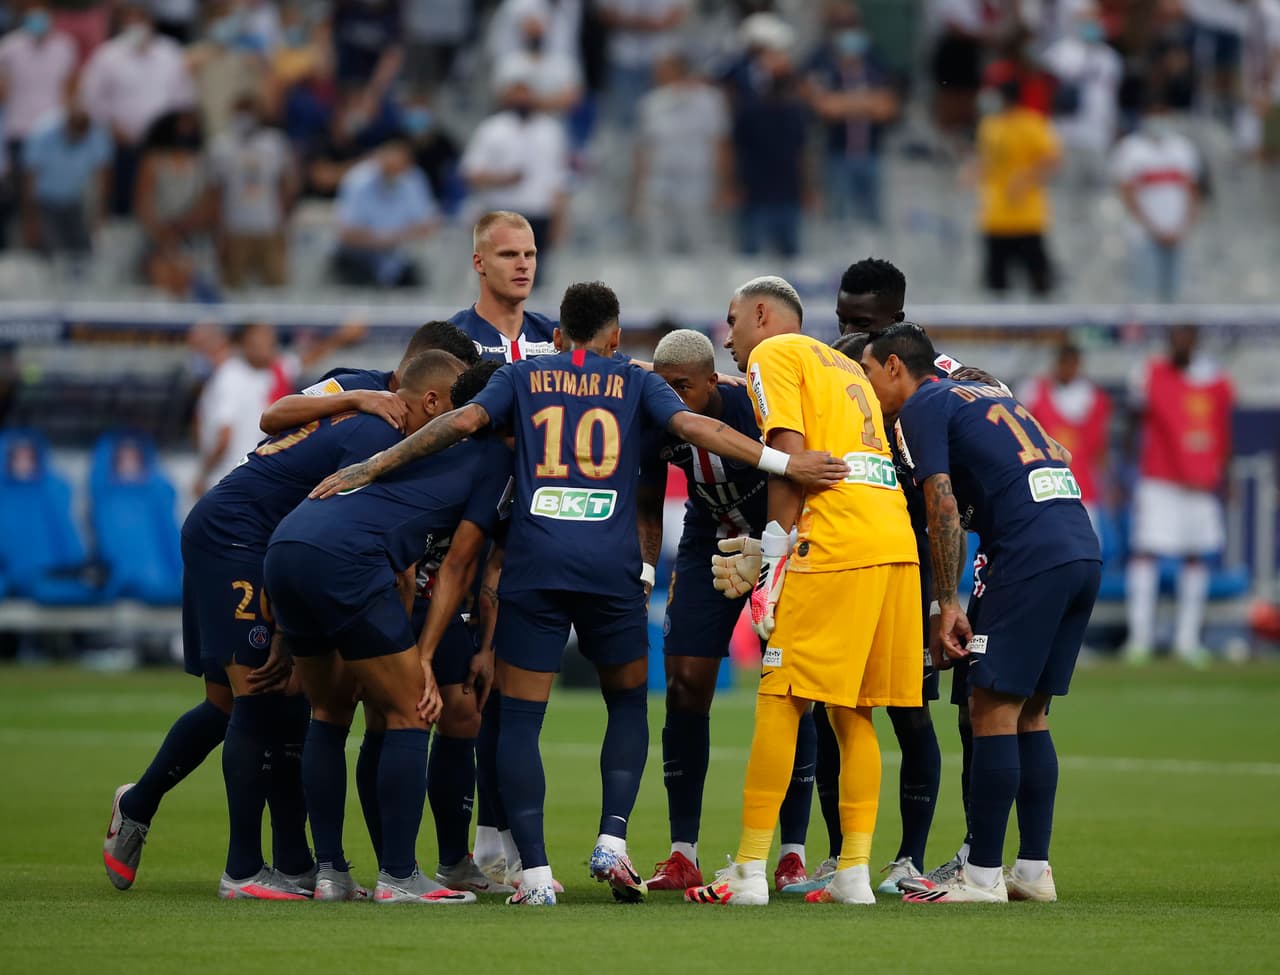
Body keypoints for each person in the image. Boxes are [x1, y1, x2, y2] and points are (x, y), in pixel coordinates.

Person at [309, 280, 850, 906]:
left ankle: (536, 875)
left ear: (559, 334)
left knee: (520, 718)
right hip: (609, 569)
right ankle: (613, 839)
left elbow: (461, 421)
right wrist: (785, 464)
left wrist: (376, 463)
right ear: (615, 337)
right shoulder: (633, 380)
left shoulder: (522, 377)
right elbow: (694, 426)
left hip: (536, 565)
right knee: (627, 705)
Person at [103, 349, 452, 899]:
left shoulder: (364, 401)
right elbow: (321, 495)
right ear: (429, 397)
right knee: (260, 696)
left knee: (246, 702)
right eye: (455, 408)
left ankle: (274, 856)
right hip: (238, 537)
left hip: (257, 536)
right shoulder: (375, 424)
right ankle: (242, 870)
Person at [686, 276, 921, 908]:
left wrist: (773, 558)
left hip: (837, 542)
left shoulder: (774, 353)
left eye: (732, 320)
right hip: (893, 541)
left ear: (762, 314)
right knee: (855, 710)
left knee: (780, 696)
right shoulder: (844, 364)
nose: (728, 337)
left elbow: (788, 459)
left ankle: (748, 870)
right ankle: (853, 872)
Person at [861, 322, 1101, 904]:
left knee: (990, 706)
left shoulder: (921, 406)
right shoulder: (988, 392)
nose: (865, 389)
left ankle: (982, 875)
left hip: (1028, 555)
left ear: (895, 367)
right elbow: (1061, 453)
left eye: (867, 373)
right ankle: (1032, 870)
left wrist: (947, 603)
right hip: (1079, 544)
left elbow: (940, 500)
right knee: (1031, 713)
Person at [266, 352, 513, 905]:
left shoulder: (421, 441)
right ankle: (399, 876)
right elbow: (457, 566)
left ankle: (330, 873)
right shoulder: (494, 458)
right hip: (346, 559)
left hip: (288, 544)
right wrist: (422, 658)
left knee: (328, 710)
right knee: (412, 710)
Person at [640, 329, 818, 894]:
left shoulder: (752, 406)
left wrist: (772, 551)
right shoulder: (653, 414)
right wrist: (645, 571)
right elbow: (648, 498)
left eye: (684, 386)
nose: (673, 397)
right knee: (685, 683)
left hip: (775, 543)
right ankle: (682, 854)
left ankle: (792, 855)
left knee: (791, 685)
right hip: (708, 541)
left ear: (712, 381)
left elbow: (797, 476)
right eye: (665, 386)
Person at [1124, 324, 1234, 664]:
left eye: (1187, 339)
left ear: (1196, 342)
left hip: (1201, 483)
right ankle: (1139, 639)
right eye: (1176, 339)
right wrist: (1129, 469)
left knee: (1196, 556)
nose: (1181, 345)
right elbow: (1133, 420)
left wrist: (1225, 474)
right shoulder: (1150, 374)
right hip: (1159, 480)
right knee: (1145, 553)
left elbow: (1222, 429)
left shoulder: (1215, 381)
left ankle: (1187, 640)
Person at [78, 2, 195, 216]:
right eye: (130, 18)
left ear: (151, 21)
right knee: (124, 206)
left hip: (160, 148)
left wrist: (170, 132)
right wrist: (111, 127)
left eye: (141, 18)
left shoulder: (170, 52)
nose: (136, 24)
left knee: (161, 207)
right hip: (120, 146)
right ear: (122, 21)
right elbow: (91, 98)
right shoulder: (107, 55)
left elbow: (183, 97)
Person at [805, 1, 899, 226]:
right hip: (837, 154)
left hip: (871, 153)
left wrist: (844, 103)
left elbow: (887, 107)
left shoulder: (874, 61)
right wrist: (866, 102)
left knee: (872, 219)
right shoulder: (822, 60)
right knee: (838, 219)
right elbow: (825, 108)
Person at [460, 68, 569, 259]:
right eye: (517, 93)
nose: (523, 99)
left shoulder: (551, 130)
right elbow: (471, 174)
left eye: (527, 93)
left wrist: (559, 221)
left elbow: (560, 180)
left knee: (535, 271)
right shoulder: (492, 129)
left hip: (539, 215)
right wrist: (502, 179)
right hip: (502, 213)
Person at [630, 52, 732, 255]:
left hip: (697, 180)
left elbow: (720, 144)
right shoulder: (651, 104)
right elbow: (644, 149)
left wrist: (723, 185)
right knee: (656, 243)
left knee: (699, 240)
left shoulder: (709, 100)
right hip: (659, 179)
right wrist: (637, 191)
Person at [1110, 88, 1201, 303]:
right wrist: (1154, 230)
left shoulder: (1183, 148)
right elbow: (1127, 195)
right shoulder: (1131, 150)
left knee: (1175, 295)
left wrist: (1183, 227)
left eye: (1162, 114)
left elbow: (1193, 191)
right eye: (1153, 114)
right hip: (1144, 234)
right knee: (1144, 295)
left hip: (1178, 233)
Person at [974, 78, 1061, 296]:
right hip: (995, 216)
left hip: (1027, 217)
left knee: (1039, 282)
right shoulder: (989, 126)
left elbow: (1052, 159)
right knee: (996, 285)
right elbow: (988, 161)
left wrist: (1025, 178)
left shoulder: (1032, 124)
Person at [0, 3, 78, 246]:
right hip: (19, 128)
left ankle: (48, 244)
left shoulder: (65, 46)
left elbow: (70, 86)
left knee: (51, 193)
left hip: (54, 132)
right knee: (19, 194)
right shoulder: (9, 47)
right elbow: (3, 91)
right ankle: (21, 245)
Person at [1018, 340, 1112, 528]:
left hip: (1082, 486)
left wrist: (1107, 485)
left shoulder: (1094, 399)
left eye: (1073, 363)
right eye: (1064, 363)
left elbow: (1100, 447)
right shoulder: (1033, 393)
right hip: (1043, 486)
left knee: (1085, 539)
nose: (1069, 369)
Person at [208, 94, 296, 289]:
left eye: (248, 112)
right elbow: (215, 193)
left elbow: (286, 185)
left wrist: (284, 225)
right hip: (235, 228)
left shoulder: (274, 143)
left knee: (277, 286)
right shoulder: (221, 146)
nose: (244, 119)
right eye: (240, 112)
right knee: (233, 287)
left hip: (269, 226)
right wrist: (219, 233)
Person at [448, 210, 558, 363]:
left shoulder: (558, 338)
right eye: (509, 255)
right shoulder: (450, 341)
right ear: (479, 263)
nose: (523, 265)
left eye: (529, 255)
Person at [332, 139, 438, 289]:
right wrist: (383, 240)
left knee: (415, 277)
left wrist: (395, 238)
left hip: (399, 256)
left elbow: (428, 225)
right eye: (389, 167)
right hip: (360, 256)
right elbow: (347, 233)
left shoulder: (413, 178)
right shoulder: (358, 181)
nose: (394, 172)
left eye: (399, 167)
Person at [134, 109, 215, 297]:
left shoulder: (200, 163)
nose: (185, 133)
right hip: (156, 236)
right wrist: (162, 234)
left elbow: (205, 202)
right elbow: (143, 205)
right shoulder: (154, 161)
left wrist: (186, 226)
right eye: (181, 127)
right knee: (162, 272)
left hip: (188, 235)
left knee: (188, 273)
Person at [22, 93, 112, 259]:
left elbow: (102, 176)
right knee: (54, 254)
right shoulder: (42, 132)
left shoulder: (96, 134)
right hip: (45, 204)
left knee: (84, 252)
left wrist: (99, 215)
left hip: (75, 202)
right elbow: (30, 177)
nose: (77, 140)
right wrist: (31, 219)